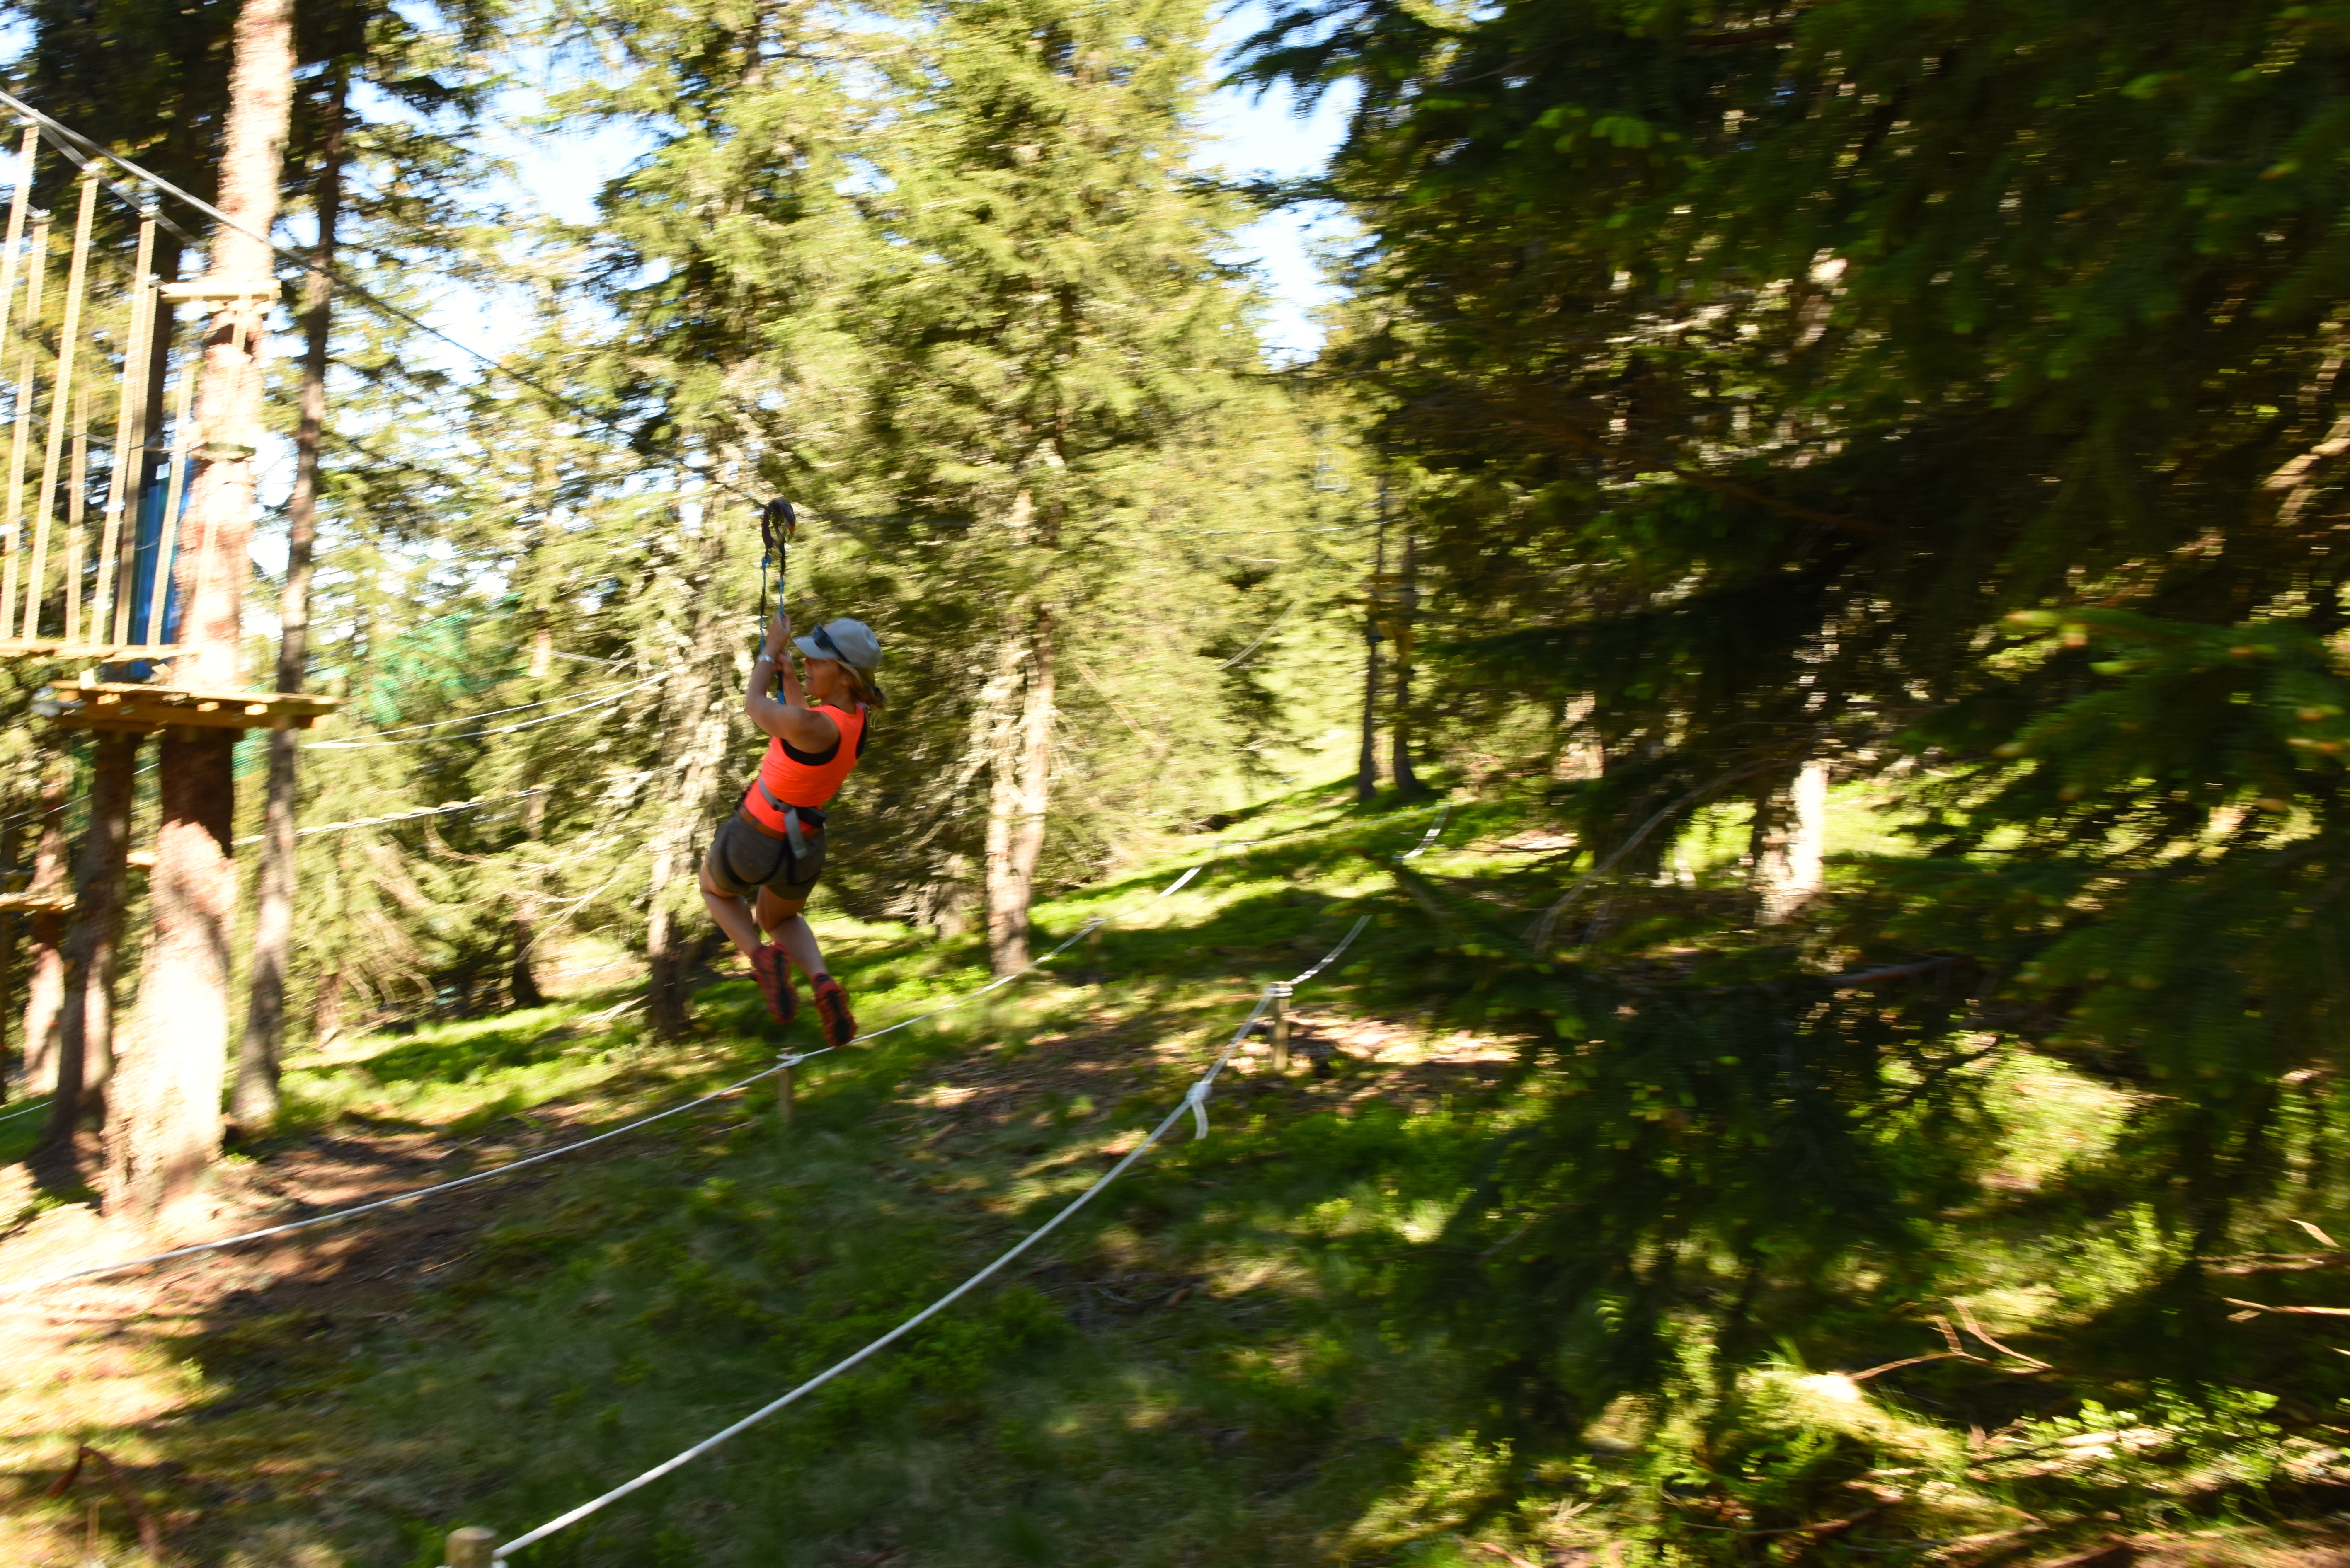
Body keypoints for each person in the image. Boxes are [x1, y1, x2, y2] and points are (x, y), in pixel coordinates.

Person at [699, 610, 884, 1047]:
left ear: (844, 675)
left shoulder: (812, 724)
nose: (806, 662)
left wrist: (770, 652)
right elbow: (804, 724)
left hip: (755, 834)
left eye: (817, 660)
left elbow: (755, 706)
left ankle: (763, 960)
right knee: (777, 917)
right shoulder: (855, 720)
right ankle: (822, 981)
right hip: (804, 845)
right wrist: (789, 676)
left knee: (714, 890)